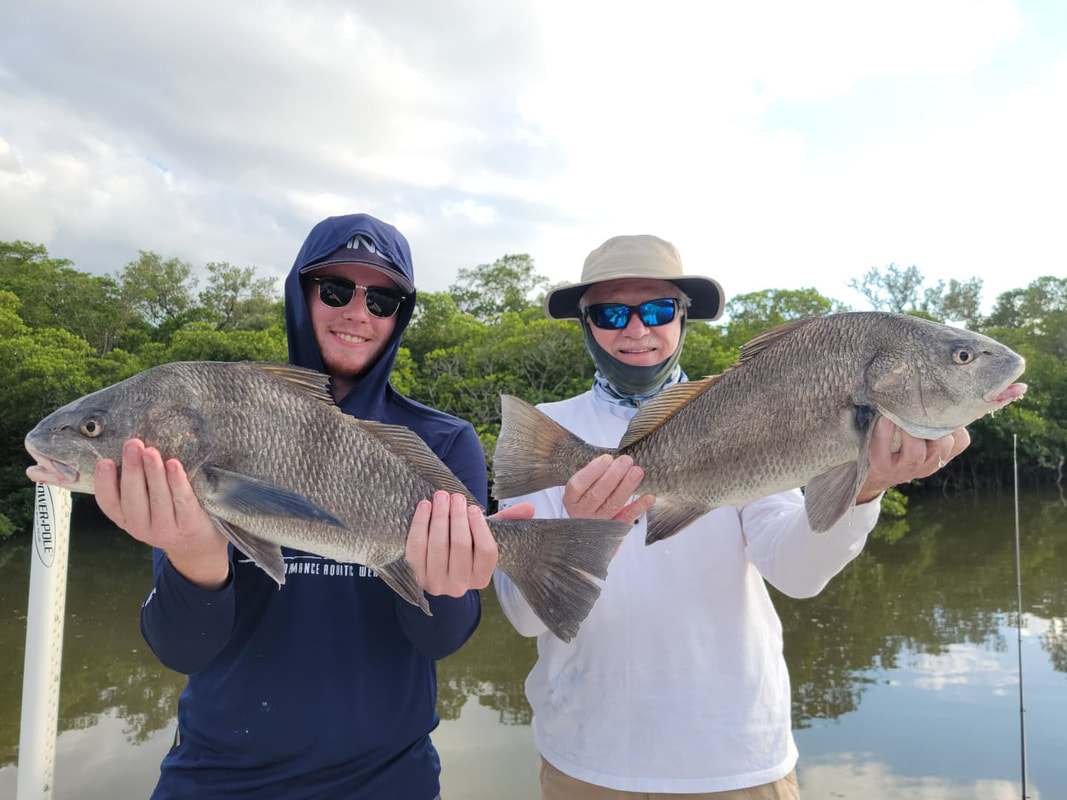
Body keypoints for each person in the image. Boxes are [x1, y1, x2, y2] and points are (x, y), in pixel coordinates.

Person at [493, 234, 970, 799]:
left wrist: (870, 485)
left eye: (658, 309)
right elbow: (523, 619)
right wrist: (578, 535)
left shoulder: (747, 407)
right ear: (586, 324)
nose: (637, 329)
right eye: (611, 312)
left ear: (683, 316)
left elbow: (797, 572)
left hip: (738, 760)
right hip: (586, 761)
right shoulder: (546, 437)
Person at [85, 214, 521, 798]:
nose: (358, 312)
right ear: (302, 293)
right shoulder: (208, 426)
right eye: (336, 290)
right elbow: (180, 648)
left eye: (384, 298)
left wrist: (444, 586)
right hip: (216, 778)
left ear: (401, 314)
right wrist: (191, 550)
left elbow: (440, 641)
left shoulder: (444, 442)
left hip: (390, 779)